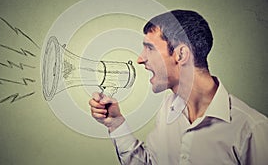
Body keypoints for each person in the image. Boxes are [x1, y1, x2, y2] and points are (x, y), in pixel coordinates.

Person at [89, 10, 268, 165]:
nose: (140, 59)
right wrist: (116, 124)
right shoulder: (168, 109)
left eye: (150, 48)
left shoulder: (251, 129)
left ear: (181, 54)